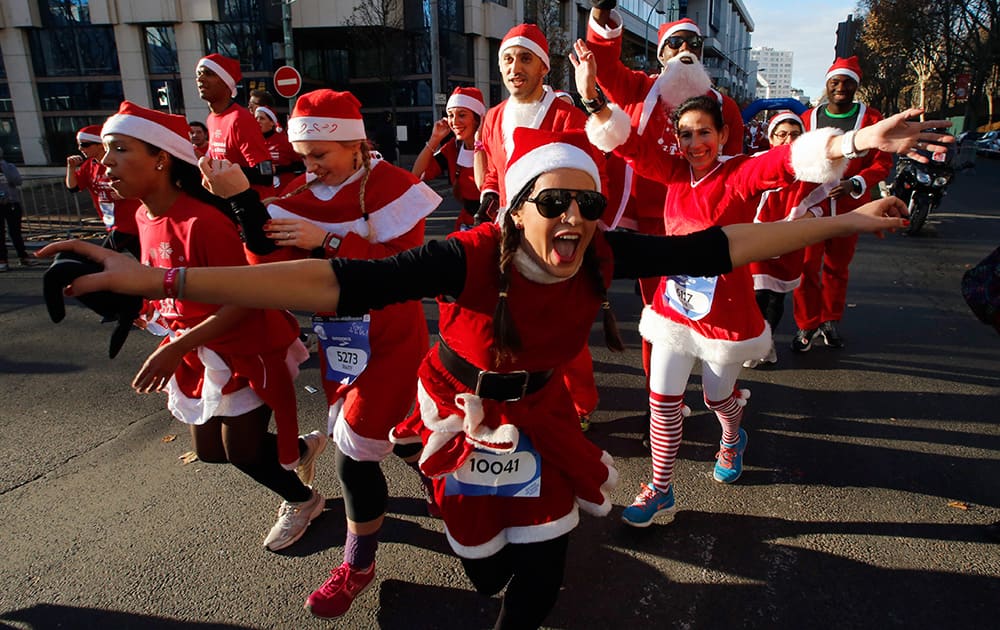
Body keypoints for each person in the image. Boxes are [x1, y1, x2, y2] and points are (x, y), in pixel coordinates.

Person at [41, 124, 914, 628]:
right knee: (484, 566)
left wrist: (856, 217)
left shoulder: (602, 252)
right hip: (452, 415)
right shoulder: (466, 255)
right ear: (517, 210)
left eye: (587, 203)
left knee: (538, 567)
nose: (574, 218)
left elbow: (721, 246)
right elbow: (329, 282)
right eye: (554, 202)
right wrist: (155, 280)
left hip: (538, 420)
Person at [577, 37, 952, 526]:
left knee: (715, 397)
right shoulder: (671, 172)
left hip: (725, 316)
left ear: (724, 132)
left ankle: (732, 432)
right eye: (686, 135)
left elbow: (789, 159)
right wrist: (591, 97)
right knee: (663, 401)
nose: (695, 145)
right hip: (673, 309)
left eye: (704, 133)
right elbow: (627, 144)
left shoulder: (738, 173)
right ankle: (661, 487)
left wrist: (861, 140)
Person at [215, 89, 441, 619]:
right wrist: (243, 199)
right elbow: (267, 257)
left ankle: (358, 565)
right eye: (304, 155)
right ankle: (438, 478)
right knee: (390, 432)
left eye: (321, 155)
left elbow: (404, 271)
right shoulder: (301, 189)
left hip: (393, 342)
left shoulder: (396, 189)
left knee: (353, 455)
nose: (310, 166)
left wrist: (330, 242)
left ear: (357, 145)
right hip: (340, 344)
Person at [89, 101, 327, 552]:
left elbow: (245, 299)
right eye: (105, 151)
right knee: (212, 450)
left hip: (247, 345)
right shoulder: (143, 216)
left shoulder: (204, 222)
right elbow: (165, 286)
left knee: (241, 450)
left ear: (160, 159)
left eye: (119, 148)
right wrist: (141, 313)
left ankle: (304, 499)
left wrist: (177, 346)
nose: (105, 163)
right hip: (202, 349)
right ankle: (297, 448)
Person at [586, 4, 746, 437]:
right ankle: (661, 404)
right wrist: (603, 15)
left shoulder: (722, 106)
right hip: (650, 229)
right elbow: (602, 66)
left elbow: (736, 170)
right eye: (674, 44)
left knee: (710, 317)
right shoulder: (638, 88)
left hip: (702, 229)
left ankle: (723, 399)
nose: (684, 51)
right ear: (660, 54)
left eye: (693, 44)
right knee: (658, 319)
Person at [792, 56, 894, 352]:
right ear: (826, 84)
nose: (841, 87)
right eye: (835, 82)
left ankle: (830, 319)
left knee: (838, 267)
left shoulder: (871, 118)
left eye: (847, 82)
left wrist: (856, 183)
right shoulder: (808, 117)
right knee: (807, 267)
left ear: (856, 86)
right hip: (812, 205)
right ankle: (806, 323)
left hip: (851, 206)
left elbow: (882, 161)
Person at [744, 111, 819, 369]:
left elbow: (823, 199)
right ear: (772, 138)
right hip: (756, 238)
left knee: (776, 298)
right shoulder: (755, 161)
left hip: (788, 241)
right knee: (755, 295)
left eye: (795, 135)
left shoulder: (811, 167)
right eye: (782, 134)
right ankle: (754, 342)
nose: (788, 140)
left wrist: (806, 214)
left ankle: (767, 343)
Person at [195, 54, 274, 196]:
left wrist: (216, 168)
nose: (200, 79)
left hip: (251, 206)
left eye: (209, 74)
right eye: (199, 74)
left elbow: (265, 175)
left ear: (226, 82)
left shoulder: (240, 119)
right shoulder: (211, 119)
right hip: (226, 205)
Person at [412, 87, 486, 231]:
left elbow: (484, 185)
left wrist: (479, 141)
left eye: (462, 115)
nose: (455, 121)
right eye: (451, 115)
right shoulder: (452, 148)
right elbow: (416, 175)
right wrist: (434, 139)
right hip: (466, 223)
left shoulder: (494, 146)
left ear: (478, 119)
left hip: (494, 225)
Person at [66, 124, 142, 257]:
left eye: (85, 145)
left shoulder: (120, 162)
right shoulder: (89, 165)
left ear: (101, 144)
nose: (81, 149)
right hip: (111, 221)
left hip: (128, 222)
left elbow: (145, 185)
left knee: (101, 258)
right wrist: (71, 168)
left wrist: (125, 193)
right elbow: (73, 187)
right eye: (79, 145)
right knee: (146, 259)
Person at [254, 105, 303, 192]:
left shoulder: (284, 141)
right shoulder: (251, 141)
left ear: (272, 122)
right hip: (261, 192)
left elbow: (301, 165)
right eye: (256, 118)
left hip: (283, 192)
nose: (258, 121)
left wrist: (278, 169)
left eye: (262, 118)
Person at [0, 147, 32, 271]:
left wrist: (5, 168)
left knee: (15, 232)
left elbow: (18, 181)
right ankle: (2, 260)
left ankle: (23, 257)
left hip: (12, 203)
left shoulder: (9, 167)